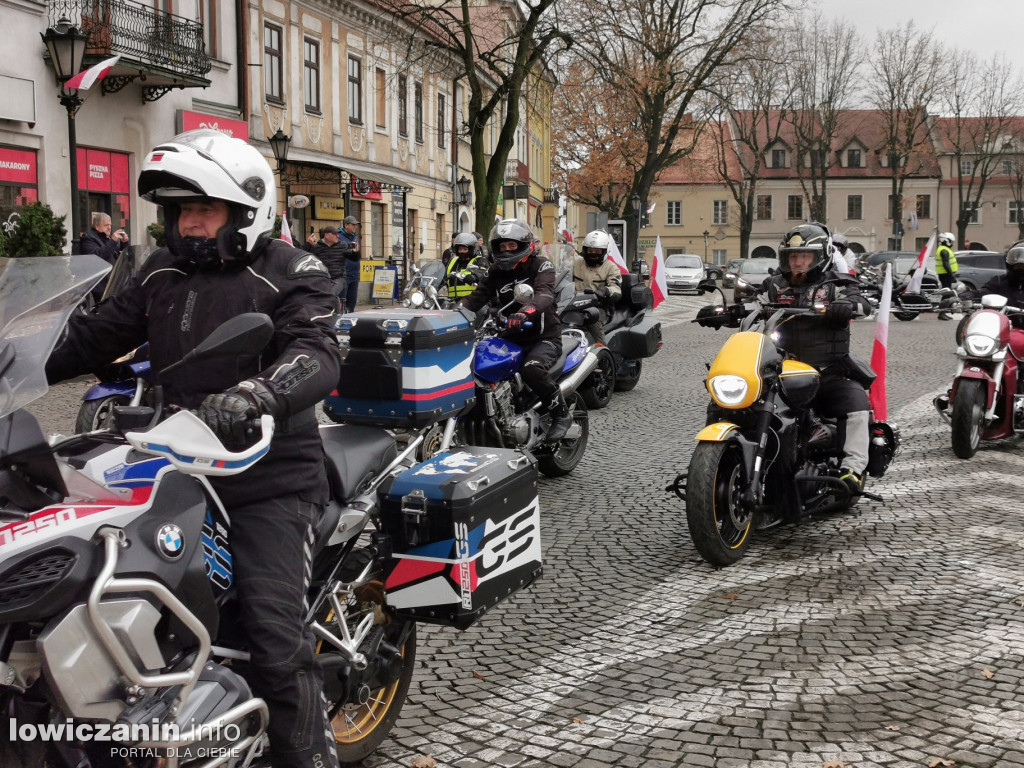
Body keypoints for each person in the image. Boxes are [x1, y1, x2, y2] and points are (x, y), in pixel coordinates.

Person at [45, 129, 342, 768]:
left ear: (246, 208)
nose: (189, 224)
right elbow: (94, 336)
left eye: (204, 209)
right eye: (180, 211)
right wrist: (21, 358)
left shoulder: (293, 270)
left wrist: (258, 394)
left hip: (266, 477)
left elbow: (317, 351)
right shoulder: (162, 271)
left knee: (273, 635)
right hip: (174, 463)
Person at [754, 222, 873, 495]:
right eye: (792, 256)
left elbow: (862, 304)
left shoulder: (837, 283)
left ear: (821, 256)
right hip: (781, 370)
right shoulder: (774, 284)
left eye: (804, 256)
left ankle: (852, 469)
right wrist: (725, 311)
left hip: (826, 370)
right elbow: (752, 300)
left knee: (855, 404)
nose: (797, 262)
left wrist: (845, 306)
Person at [457, 218, 573, 441]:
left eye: (512, 245)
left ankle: (561, 414)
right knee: (478, 366)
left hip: (543, 337)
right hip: (510, 335)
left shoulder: (541, 265)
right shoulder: (495, 271)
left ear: (524, 245)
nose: (507, 250)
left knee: (532, 369)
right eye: (502, 246)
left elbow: (544, 294)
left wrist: (525, 312)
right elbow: (476, 298)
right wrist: (451, 314)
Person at [571, 229, 622, 344]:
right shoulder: (575, 263)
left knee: (592, 320)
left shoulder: (611, 267)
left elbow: (616, 288)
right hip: (573, 305)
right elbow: (561, 275)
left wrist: (605, 291)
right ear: (585, 250)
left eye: (597, 251)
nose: (593, 253)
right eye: (590, 250)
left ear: (604, 251)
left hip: (598, 307)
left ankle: (601, 350)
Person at [79, 211, 130, 301]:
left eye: (110, 225)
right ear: (97, 226)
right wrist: (113, 241)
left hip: (113, 281)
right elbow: (98, 257)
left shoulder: (107, 238)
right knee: (104, 307)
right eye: (106, 225)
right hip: (100, 284)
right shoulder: (88, 238)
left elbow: (119, 255)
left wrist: (124, 243)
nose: (109, 228)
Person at [304, 225, 347, 308]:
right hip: (323, 278)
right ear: (327, 235)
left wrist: (355, 252)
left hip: (339, 277)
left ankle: (333, 311)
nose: (338, 236)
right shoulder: (317, 247)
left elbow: (353, 256)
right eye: (335, 234)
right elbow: (310, 260)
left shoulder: (342, 246)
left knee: (331, 294)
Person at [445, 232, 484, 301]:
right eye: (460, 249)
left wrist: (474, 276)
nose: (462, 251)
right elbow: (444, 276)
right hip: (452, 301)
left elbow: (484, 273)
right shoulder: (453, 261)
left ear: (471, 249)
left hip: (473, 301)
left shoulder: (479, 260)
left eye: (465, 249)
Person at [339, 214, 361, 313]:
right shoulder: (339, 237)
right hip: (344, 274)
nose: (355, 227)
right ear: (346, 225)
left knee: (352, 302)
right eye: (353, 225)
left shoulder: (355, 237)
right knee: (342, 302)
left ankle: (350, 319)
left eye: (356, 225)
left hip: (355, 274)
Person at [935, 231, 959, 320]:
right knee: (946, 295)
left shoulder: (943, 249)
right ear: (947, 240)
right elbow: (946, 264)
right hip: (945, 275)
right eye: (951, 241)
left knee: (946, 294)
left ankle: (943, 312)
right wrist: (951, 275)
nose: (952, 243)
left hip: (944, 274)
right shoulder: (944, 250)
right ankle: (942, 313)